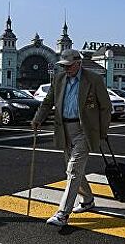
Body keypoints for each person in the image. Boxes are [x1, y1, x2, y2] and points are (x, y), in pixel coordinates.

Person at [31, 49, 111, 227]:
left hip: (85, 130)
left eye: (69, 66)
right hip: (64, 129)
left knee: (73, 169)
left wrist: (103, 131)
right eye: (63, 66)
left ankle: (62, 214)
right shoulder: (59, 79)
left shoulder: (93, 79)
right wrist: (38, 119)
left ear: (78, 63)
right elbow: (48, 102)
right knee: (74, 170)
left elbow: (106, 107)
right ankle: (88, 200)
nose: (66, 69)